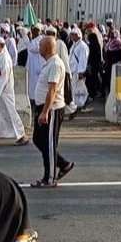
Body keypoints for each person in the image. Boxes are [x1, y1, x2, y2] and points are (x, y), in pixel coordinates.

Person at [30, 35, 74, 186]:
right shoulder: (49, 63)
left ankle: (50, 178)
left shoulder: (55, 64)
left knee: (49, 144)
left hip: (52, 108)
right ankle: (63, 163)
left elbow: (52, 90)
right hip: (43, 107)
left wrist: (45, 111)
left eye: (41, 46)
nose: (39, 48)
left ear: (47, 48)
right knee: (38, 139)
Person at [66, 27, 90, 116]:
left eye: (73, 35)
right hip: (72, 70)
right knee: (74, 89)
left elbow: (83, 60)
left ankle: (80, 104)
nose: (72, 37)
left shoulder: (82, 46)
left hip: (77, 71)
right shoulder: (74, 45)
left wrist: (81, 71)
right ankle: (76, 104)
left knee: (78, 89)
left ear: (78, 35)